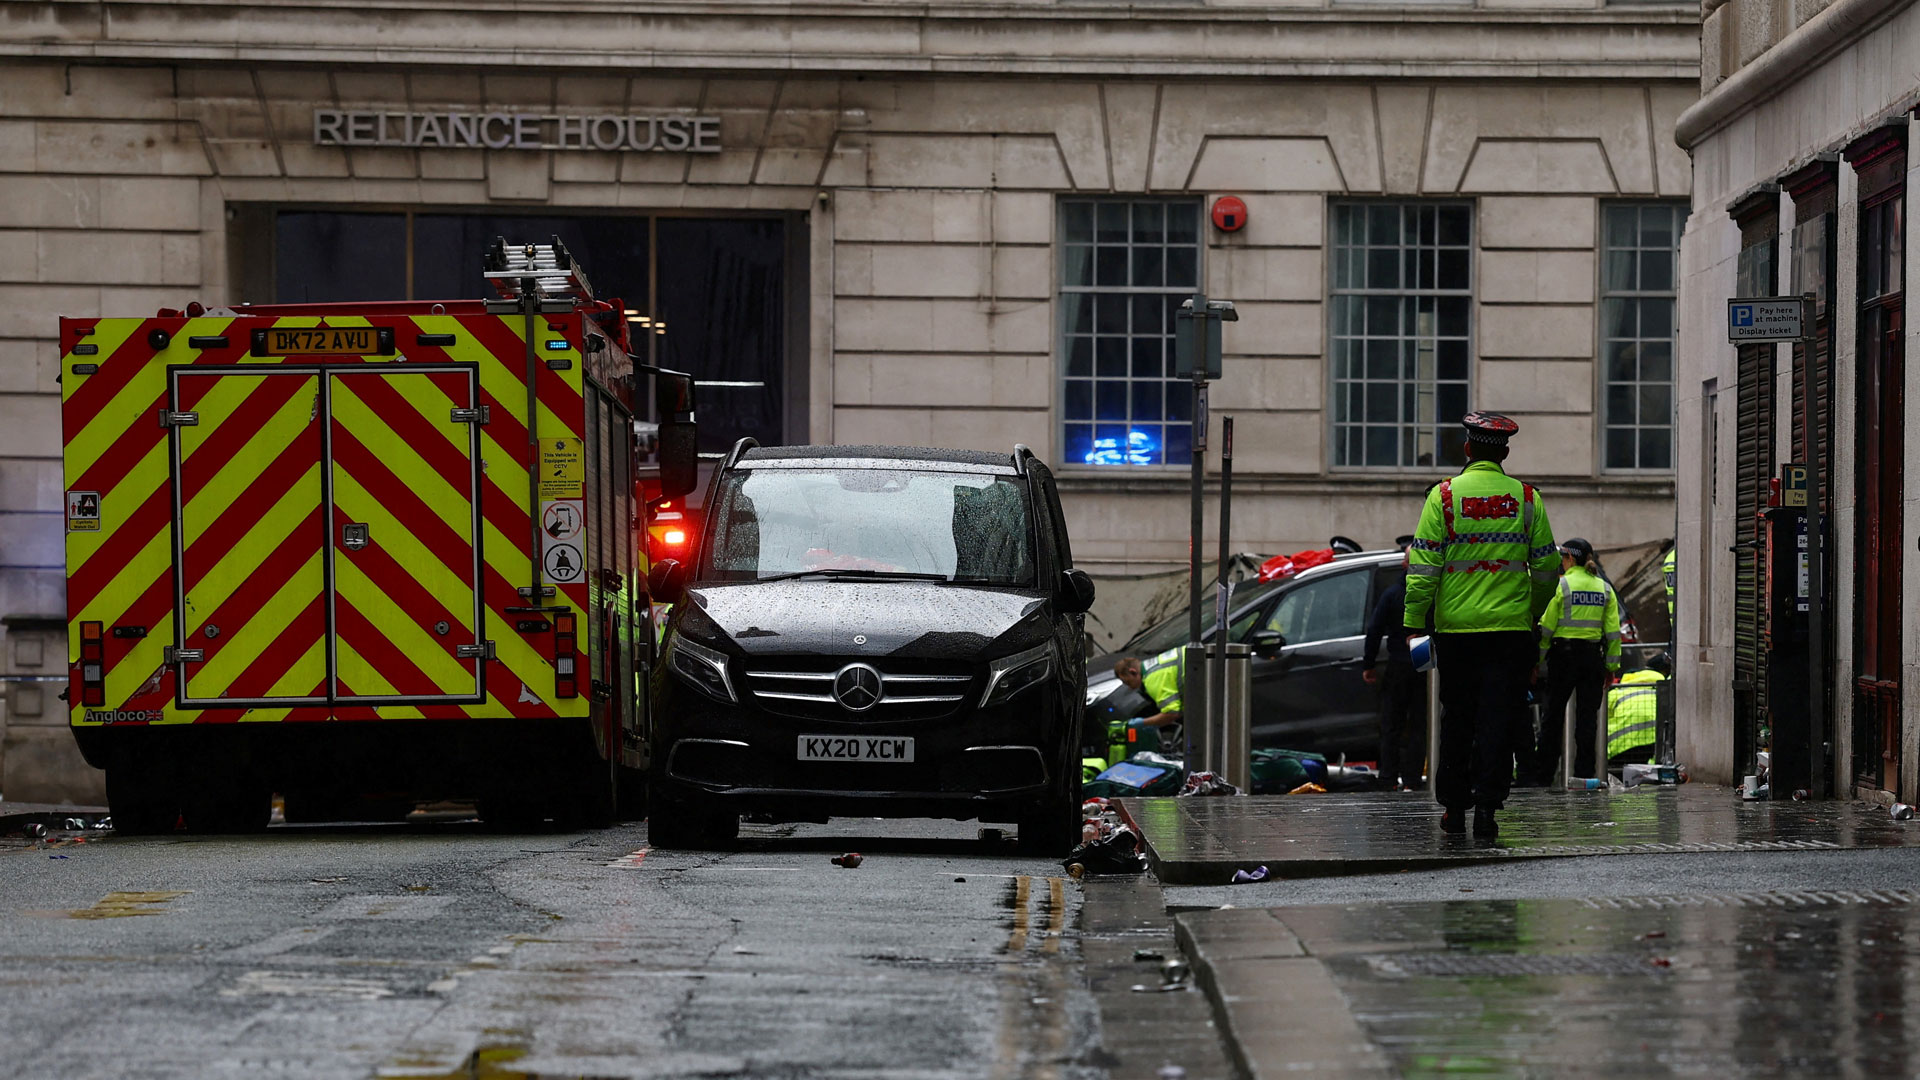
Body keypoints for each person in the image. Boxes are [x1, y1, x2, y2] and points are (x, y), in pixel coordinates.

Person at [1403, 412, 1558, 839]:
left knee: (1457, 718)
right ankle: (1487, 810)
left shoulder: (1444, 498)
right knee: (1499, 720)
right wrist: (1530, 612)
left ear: (1467, 449)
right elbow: (1547, 568)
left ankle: (1454, 808)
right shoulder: (1527, 499)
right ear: (1504, 452)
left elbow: (1424, 567)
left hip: (1456, 634)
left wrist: (1414, 621)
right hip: (1509, 633)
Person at [1526, 538, 1622, 784]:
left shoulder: (1563, 586)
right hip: (1592, 659)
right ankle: (1584, 774)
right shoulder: (1604, 589)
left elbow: (1546, 628)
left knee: (1553, 718)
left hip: (1563, 658)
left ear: (1569, 558)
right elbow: (1613, 634)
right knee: (1587, 719)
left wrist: (1538, 661)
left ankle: (1544, 774)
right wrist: (1611, 668)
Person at [1363, 553, 1426, 790]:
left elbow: (1375, 629)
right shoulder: (1430, 592)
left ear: (1404, 564)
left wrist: (1368, 664)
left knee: (1392, 723)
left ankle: (1388, 777)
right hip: (1423, 656)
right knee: (1420, 723)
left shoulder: (1392, 594)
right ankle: (1411, 778)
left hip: (1399, 661)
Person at [1113, 648, 1185, 731]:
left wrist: (1144, 722)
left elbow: (1172, 713)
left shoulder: (1152, 680)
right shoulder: (1155, 663)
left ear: (1133, 672)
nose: (1131, 688)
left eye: (1128, 682)